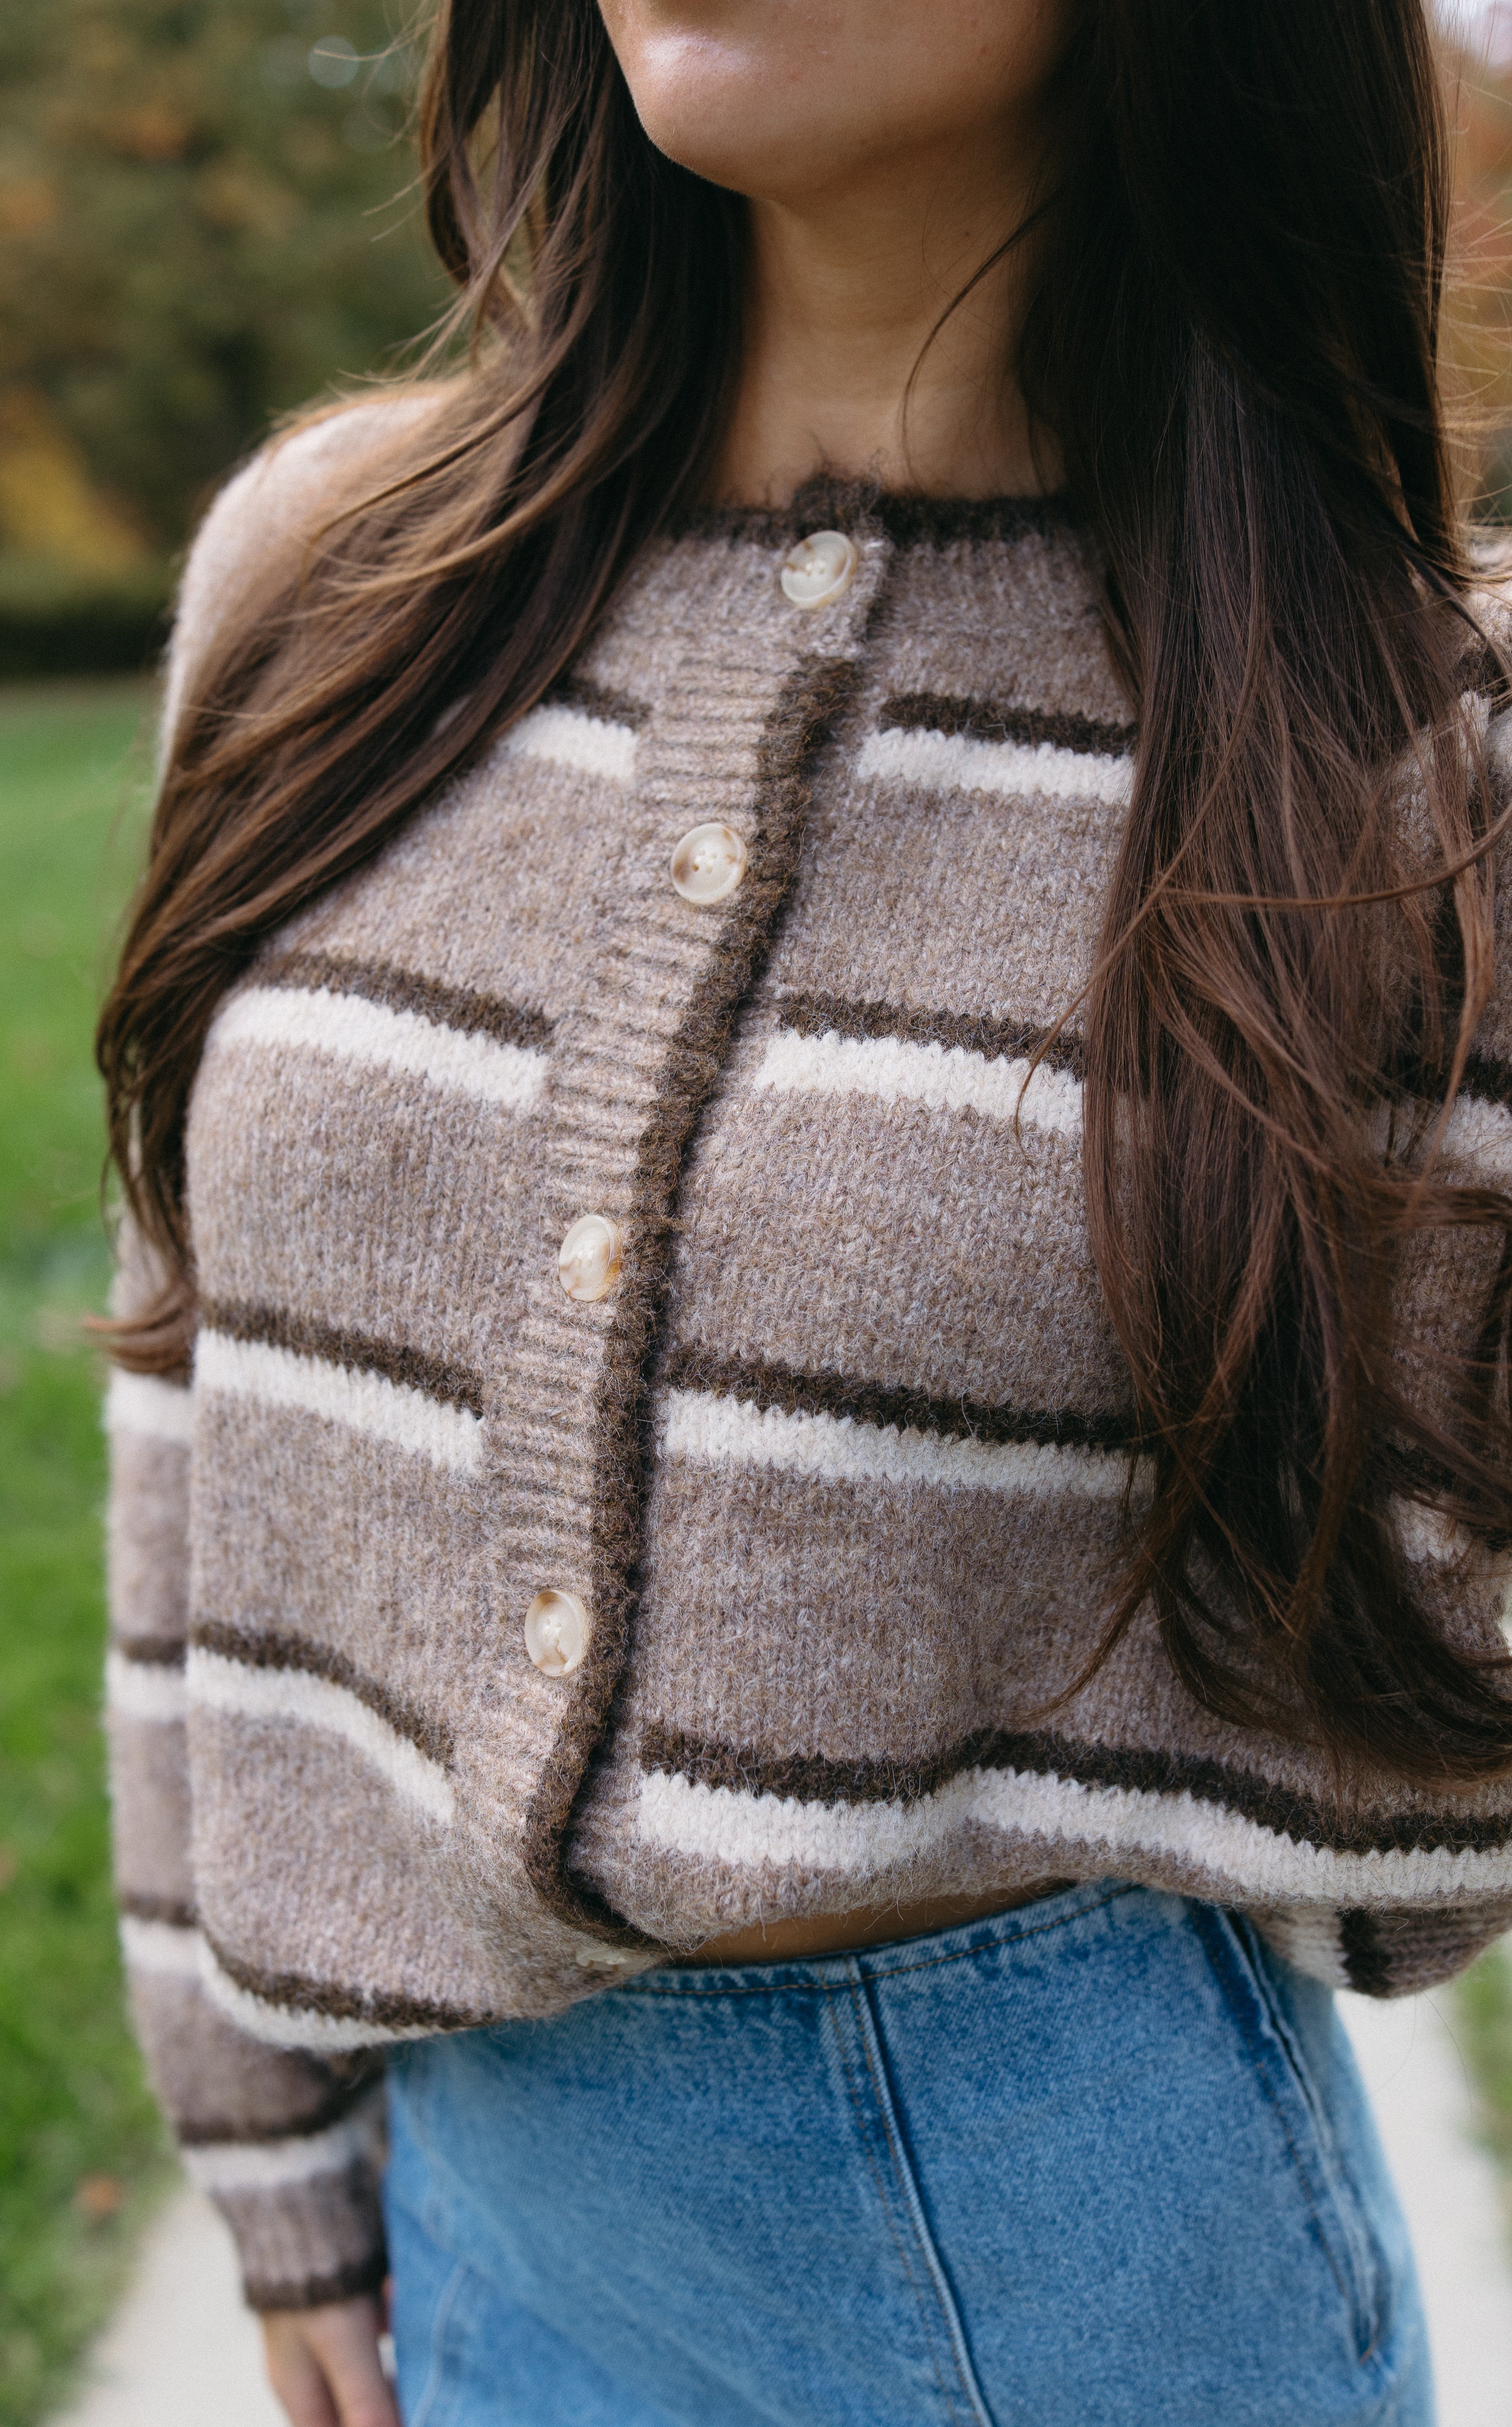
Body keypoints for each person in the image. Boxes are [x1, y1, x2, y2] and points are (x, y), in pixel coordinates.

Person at [95, 2, 1512, 2420]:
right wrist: (264, 2132)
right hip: (487, 2206)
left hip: (1077, 2255)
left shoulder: (1413, 735)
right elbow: (201, 1415)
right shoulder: (328, 581)